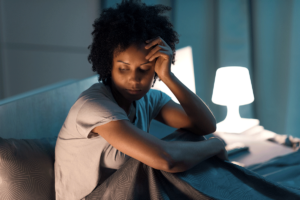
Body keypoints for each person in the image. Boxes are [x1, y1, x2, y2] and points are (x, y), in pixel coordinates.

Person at [54, 1, 300, 199]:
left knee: (189, 137)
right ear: (108, 65)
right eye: (123, 68)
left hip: (132, 193)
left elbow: (204, 126)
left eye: (144, 69)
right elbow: (166, 159)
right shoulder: (93, 106)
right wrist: (215, 145)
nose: (134, 80)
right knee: (158, 159)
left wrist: (169, 76)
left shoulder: (148, 99)